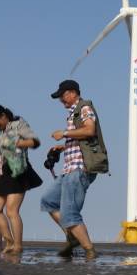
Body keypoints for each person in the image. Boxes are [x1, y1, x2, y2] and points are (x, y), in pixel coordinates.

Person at [41, 80, 107, 260]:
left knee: (70, 212)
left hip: (80, 168)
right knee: (48, 201)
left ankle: (90, 251)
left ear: (71, 93)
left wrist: (64, 133)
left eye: (62, 96)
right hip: (69, 167)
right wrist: (64, 147)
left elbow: (89, 130)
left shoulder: (84, 108)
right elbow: (81, 138)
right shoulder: (72, 113)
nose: (61, 100)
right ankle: (72, 237)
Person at [0, 105, 40, 255]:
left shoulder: (19, 123)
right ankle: (8, 240)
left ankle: (18, 245)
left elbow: (34, 142)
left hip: (19, 170)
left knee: (11, 210)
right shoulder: (0, 130)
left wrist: (18, 143)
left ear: (3, 115)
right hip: (6, 171)